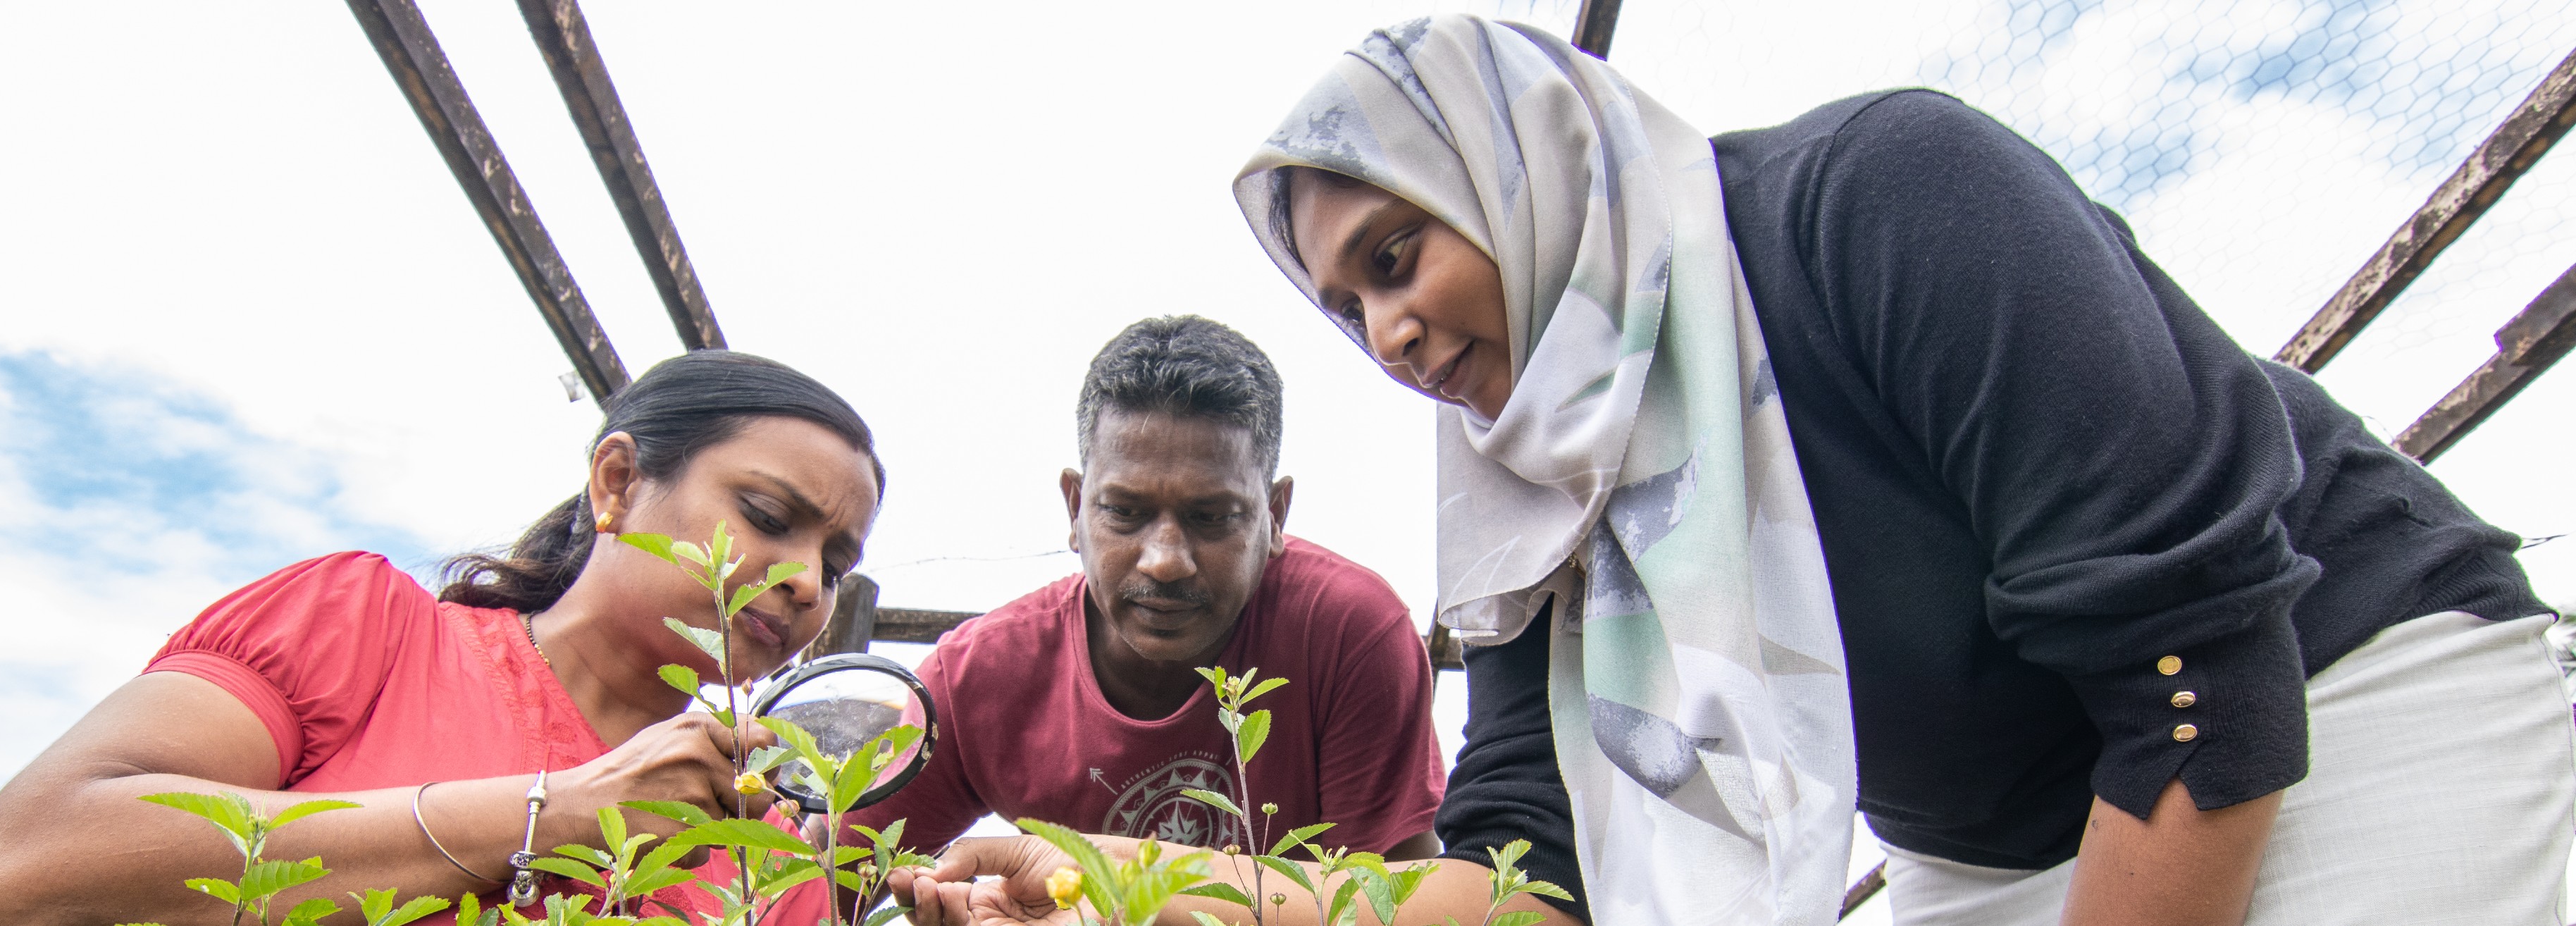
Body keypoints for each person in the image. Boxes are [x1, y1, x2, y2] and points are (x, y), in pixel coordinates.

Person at [893, 16, 2568, 926]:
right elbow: (1518, 883)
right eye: (1344, 312)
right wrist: (1126, 876)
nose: (1388, 334)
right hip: (1988, 850)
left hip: (2338, 713)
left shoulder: (1876, 203)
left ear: (1526, 168)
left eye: (1401, 255)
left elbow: (2200, 666)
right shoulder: (1536, 502)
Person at [0, 350, 885, 923]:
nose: (804, 580)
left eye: (835, 562)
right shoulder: (364, 627)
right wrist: (549, 815)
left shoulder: (764, 852)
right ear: (617, 482)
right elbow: (7, 878)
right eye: (765, 514)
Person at [841, 316, 1444, 863]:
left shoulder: (1348, 634)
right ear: (1076, 508)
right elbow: (820, 879)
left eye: (1212, 517)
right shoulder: (976, 678)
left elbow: (1397, 903)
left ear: (1276, 516)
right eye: (1125, 512)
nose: (1165, 562)